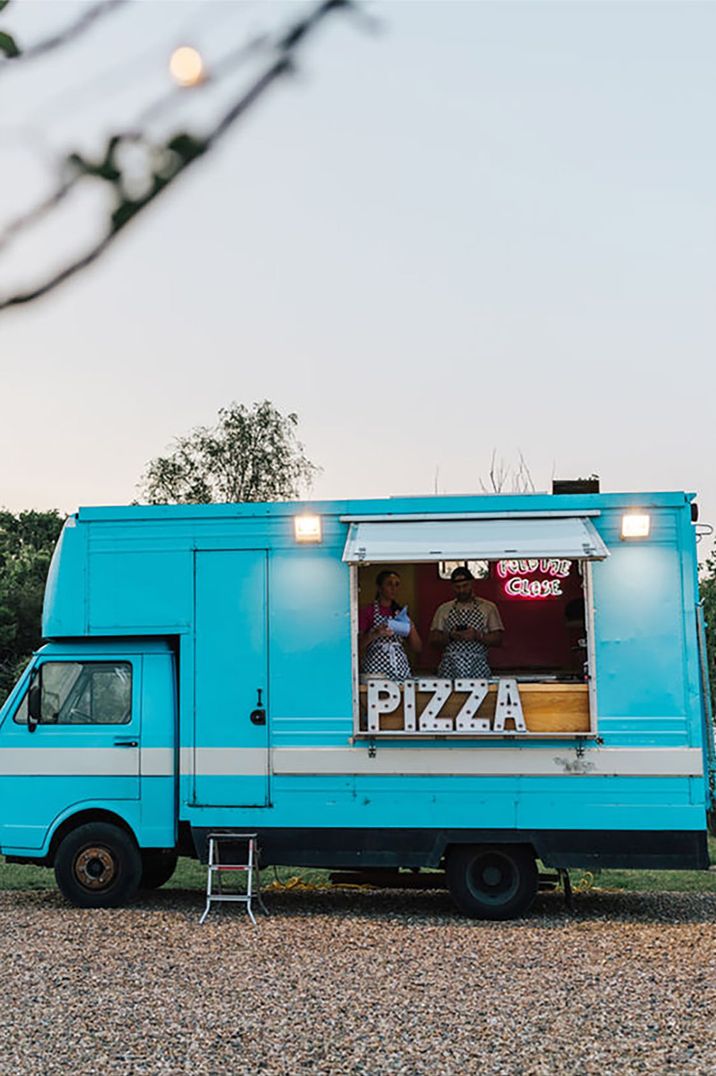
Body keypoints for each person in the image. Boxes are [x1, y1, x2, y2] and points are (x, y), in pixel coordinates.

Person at [429, 565, 504, 679]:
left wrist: (477, 636)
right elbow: (433, 639)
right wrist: (451, 636)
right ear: (453, 587)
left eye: (465, 586)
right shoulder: (444, 609)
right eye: (457, 587)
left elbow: (498, 638)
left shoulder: (488, 607)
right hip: (450, 667)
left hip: (477, 666)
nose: (462, 590)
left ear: (472, 583)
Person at [359, 569, 422, 681]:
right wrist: (375, 634)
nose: (394, 588)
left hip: (399, 668)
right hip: (375, 670)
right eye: (389, 584)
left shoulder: (401, 613)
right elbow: (356, 646)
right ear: (379, 587)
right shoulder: (368, 611)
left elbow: (417, 648)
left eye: (397, 585)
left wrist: (411, 626)